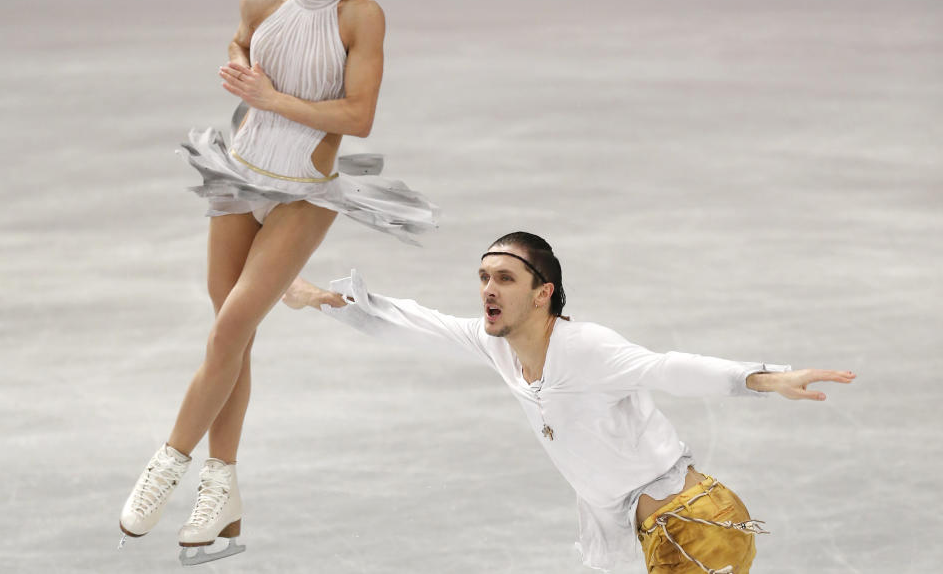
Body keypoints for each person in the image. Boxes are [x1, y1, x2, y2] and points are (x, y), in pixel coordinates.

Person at [118, 0, 438, 565]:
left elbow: (358, 117)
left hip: (305, 193)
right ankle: (222, 489)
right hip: (237, 179)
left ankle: (169, 461)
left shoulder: (364, 18)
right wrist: (237, 58)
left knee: (232, 327)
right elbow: (245, 39)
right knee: (231, 337)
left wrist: (272, 98)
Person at [287, 231, 855, 574]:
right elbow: (415, 324)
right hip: (659, 530)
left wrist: (763, 378)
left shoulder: (587, 349)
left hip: (697, 525)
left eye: (504, 278)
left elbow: (667, 368)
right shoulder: (500, 350)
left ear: (543, 293)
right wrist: (318, 298)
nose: (488, 288)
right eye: (483, 277)